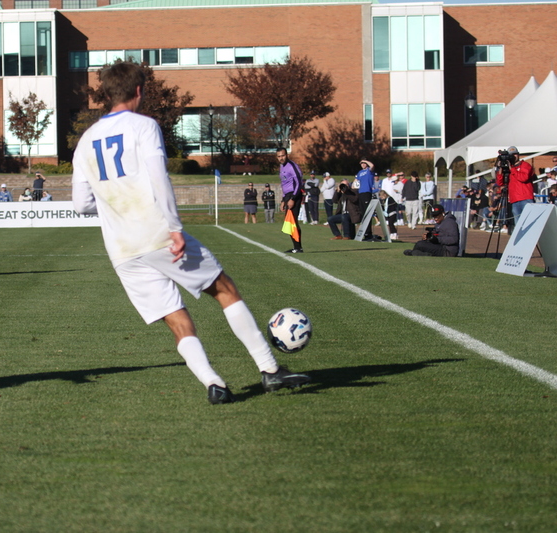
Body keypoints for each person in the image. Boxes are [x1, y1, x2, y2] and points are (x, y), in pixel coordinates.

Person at [71, 61, 309, 405]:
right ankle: (270, 369)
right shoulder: (144, 126)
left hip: (121, 248)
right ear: (139, 91)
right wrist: (175, 227)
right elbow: (158, 178)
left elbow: (81, 204)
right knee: (223, 288)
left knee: (175, 318)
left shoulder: (85, 142)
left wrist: (116, 209)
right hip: (157, 233)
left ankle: (213, 382)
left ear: (106, 94)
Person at [496, 146, 535, 227]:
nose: (513, 156)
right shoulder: (508, 168)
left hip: (525, 199)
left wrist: (512, 169)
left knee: (528, 224)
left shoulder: (525, 165)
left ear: (518, 155)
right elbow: (500, 182)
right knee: (518, 225)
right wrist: (500, 169)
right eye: (511, 155)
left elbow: (523, 178)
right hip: (514, 200)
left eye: (515, 154)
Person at [277, 147, 304, 253]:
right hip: (287, 196)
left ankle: (298, 247)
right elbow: (284, 184)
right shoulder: (281, 166)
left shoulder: (292, 166)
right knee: (289, 221)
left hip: (294, 194)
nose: (281, 158)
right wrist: (283, 200)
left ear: (287, 155)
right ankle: (296, 247)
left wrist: (292, 198)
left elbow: (298, 183)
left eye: (283, 155)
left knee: (292, 221)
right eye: (279, 156)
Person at [356, 159, 375, 239]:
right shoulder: (360, 172)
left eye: (364, 163)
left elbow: (372, 166)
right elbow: (356, 181)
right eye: (362, 164)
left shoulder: (369, 170)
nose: (363, 165)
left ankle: (368, 233)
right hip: (361, 193)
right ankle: (364, 232)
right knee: (363, 213)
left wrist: (366, 161)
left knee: (367, 213)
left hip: (367, 192)